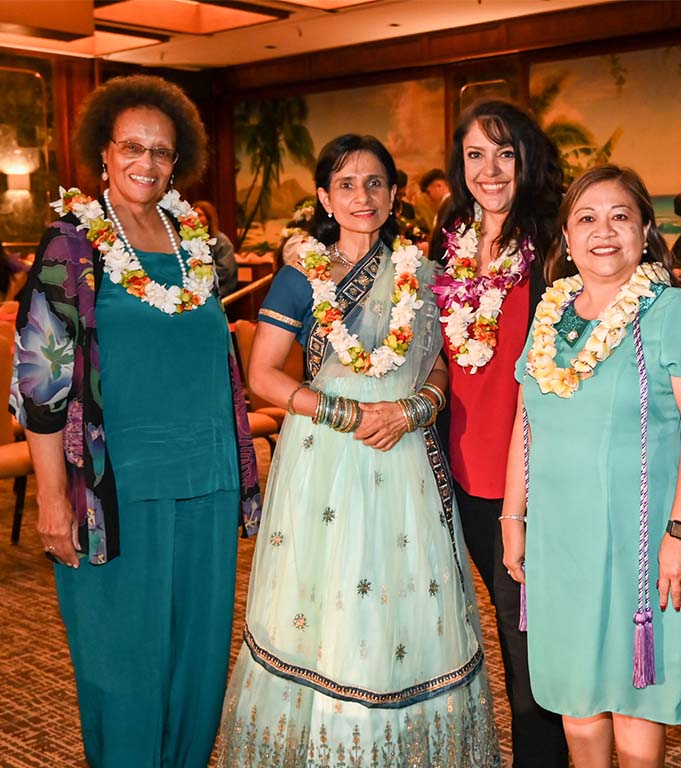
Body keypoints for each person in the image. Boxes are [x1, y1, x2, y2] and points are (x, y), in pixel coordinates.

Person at [216, 134, 501, 767]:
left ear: (395, 193)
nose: (361, 196)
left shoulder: (425, 277)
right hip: (328, 458)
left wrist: (409, 410)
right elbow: (263, 375)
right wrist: (348, 412)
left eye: (374, 183)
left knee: (405, 600)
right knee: (331, 600)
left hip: (405, 456)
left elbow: (445, 368)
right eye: (345, 184)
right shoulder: (299, 277)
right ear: (323, 197)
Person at [10, 74, 261, 767]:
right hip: (111, 495)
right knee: (123, 672)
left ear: (177, 163)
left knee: (196, 668)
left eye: (161, 151)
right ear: (103, 153)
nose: (146, 163)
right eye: (132, 148)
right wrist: (54, 499)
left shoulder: (193, 241)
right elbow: (40, 383)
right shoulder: (71, 247)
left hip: (204, 483)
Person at [502, 165, 681, 766]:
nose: (604, 231)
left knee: (634, 714)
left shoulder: (670, 310)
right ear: (567, 238)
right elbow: (526, 424)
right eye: (587, 218)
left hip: (639, 539)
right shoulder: (550, 317)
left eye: (620, 216)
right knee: (577, 711)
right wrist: (512, 518)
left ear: (645, 229)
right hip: (559, 538)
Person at [429, 98, 569, 767]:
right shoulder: (449, 237)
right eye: (475, 154)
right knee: (477, 634)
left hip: (526, 478)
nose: (489, 169)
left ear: (527, 158)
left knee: (531, 647)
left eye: (504, 153)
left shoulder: (552, 240)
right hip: (455, 472)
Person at [193, 199, 240, 295]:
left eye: (199, 215)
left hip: (220, 291)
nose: (195, 218)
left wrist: (201, 273)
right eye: (193, 215)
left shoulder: (221, 241)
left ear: (209, 219)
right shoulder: (190, 241)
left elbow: (225, 271)